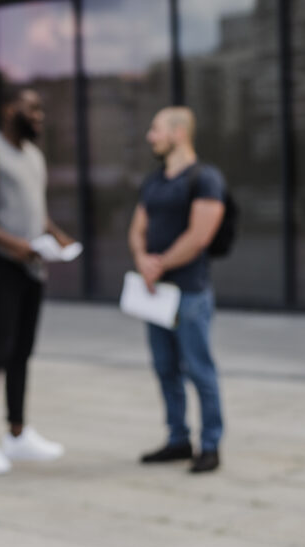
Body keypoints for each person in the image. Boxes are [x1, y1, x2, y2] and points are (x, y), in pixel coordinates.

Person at [0, 87, 77, 476]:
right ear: (10, 110)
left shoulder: (34, 156)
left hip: (33, 267)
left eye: (42, 109)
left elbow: (34, 211)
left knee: (23, 350)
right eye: (32, 109)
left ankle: (18, 433)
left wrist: (56, 236)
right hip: (0, 266)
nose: (40, 115)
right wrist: (12, 244)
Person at [128, 106, 225, 474]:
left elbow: (200, 236)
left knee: (200, 370)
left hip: (189, 293)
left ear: (179, 132)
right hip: (155, 294)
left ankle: (211, 444)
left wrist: (160, 263)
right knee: (165, 369)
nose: (151, 137)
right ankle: (178, 439)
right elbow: (137, 228)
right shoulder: (154, 181)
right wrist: (142, 259)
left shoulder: (205, 178)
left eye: (156, 129)